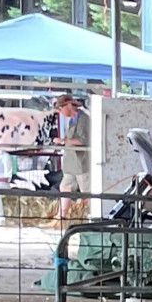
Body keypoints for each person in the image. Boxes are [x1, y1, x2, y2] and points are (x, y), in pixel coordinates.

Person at [47, 94, 89, 222]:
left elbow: (84, 140)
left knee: (88, 192)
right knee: (65, 187)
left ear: (69, 105)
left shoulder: (84, 119)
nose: (60, 112)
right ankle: (61, 217)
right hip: (71, 163)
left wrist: (64, 140)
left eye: (61, 108)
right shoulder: (72, 120)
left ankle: (94, 217)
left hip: (82, 163)